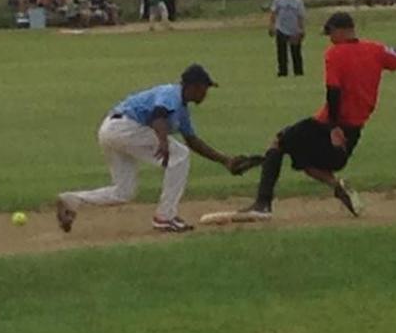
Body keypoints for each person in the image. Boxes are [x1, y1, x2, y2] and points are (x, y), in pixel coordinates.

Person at [240, 12, 396, 218]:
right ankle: (337, 186)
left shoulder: (335, 53)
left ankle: (263, 205)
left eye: (331, 33)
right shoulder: (376, 50)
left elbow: (333, 91)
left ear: (341, 31)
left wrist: (333, 128)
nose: (330, 38)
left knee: (278, 143)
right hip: (354, 131)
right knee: (305, 162)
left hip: (328, 124)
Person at [56, 65, 261, 233]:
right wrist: (162, 141)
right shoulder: (171, 93)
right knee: (179, 156)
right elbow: (158, 115)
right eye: (204, 88)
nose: (205, 93)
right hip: (123, 128)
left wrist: (225, 160)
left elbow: (193, 140)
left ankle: (72, 199)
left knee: (123, 192)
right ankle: (165, 216)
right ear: (194, 86)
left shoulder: (182, 110)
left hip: (112, 131)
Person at [269, 0, 306, 77]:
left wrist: (301, 30)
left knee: (296, 53)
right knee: (282, 53)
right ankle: (282, 72)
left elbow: (300, 16)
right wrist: (272, 26)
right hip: (281, 29)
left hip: (294, 31)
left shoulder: (298, 2)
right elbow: (273, 13)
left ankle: (298, 72)